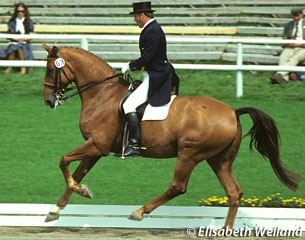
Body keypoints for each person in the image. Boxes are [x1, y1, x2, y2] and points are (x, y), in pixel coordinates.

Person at [116, 1, 175, 158]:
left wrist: (130, 65)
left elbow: (147, 57)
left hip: (157, 75)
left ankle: (134, 145)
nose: (135, 20)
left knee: (128, 105)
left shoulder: (153, 31)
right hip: (153, 72)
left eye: (135, 16)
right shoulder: (151, 29)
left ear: (142, 15)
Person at [271, 8, 305, 84]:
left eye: (298, 16)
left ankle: (279, 74)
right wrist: (287, 43)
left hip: (303, 47)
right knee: (283, 57)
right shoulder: (288, 25)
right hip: (290, 46)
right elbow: (283, 40)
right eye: (294, 16)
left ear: (302, 14)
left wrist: (300, 44)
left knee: (296, 57)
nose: (296, 18)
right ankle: (284, 79)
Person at [0, 2, 34, 74]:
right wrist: (15, 38)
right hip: (14, 41)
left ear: (25, 12)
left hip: (25, 43)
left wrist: (23, 39)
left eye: (22, 11)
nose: (20, 13)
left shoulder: (28, 21)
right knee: (14, 46)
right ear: (16, 12)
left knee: (19, 47)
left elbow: (31, 34)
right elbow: (9, 34)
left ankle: (23, 67)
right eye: (18, 11)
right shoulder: (12, 22)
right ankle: (10, 67)